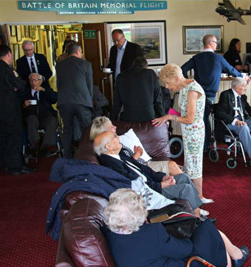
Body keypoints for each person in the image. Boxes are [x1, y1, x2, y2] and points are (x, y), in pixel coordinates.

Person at [102, 189, 250, 267]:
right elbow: (185, 249)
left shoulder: (108, 232)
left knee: (209, 233)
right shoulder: (152, 233)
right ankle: (233, 264)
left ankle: (236, 257)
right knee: (209, 231)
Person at [94, 131, 206, 216]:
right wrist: (161, 185)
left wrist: (162, 177)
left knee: (183, 176)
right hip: (149, 192)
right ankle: (198, 218)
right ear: (108, 146)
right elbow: (134, 183)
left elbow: (143, 168)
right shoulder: (110, 164)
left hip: (152, 183)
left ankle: (197, 205)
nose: (118, 137)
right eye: (114, 137)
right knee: (185, 189)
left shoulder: (119, 155)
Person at [153, 64, 210, 204]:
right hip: (189, 133)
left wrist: (170, 117)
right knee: (190, 164)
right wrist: (167, 114)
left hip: (195, 134)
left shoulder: (192, 91)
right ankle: (198, 197)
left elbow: (190, 119)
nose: (166, 86)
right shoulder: (184, 88)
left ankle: (199, 198)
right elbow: (183, 114)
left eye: (168, 82)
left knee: (194, 166)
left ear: (177, 78)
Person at [181, 34, 246, 153]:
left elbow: (182, 69)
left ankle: (203, 145)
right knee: (204, 119)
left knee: (201, 119)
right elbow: (232, 71)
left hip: (197, 94)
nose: (216, 45)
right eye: (216, 43)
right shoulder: (218, 58)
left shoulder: (197, 58)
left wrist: (189, 84)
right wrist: (243, 77)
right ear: (211, 43)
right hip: (209, 95)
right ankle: (205, 147)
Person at [89, 116, 183, 177]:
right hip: (142, 168)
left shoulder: (114, 143)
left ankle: (193, 194)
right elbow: (127, 166)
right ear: (103, 134)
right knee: (172, 166)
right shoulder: (110, 151)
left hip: (143, 165)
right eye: (111, 127)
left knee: (174, 167)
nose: (115, 127)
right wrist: (137, 155)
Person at [215, 77, 251, 166]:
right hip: (231, 123)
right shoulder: (226, 95)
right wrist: (235, 121)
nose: (245, 88)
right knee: (243, 127)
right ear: (237, 87)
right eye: (244, 86)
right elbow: (219, 112)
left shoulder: (243, 97)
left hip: (243, 121)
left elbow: (247, 107)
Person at [0, 45, 33, 174]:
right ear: (9, 54)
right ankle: (15, 166)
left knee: (3, 136)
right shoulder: (8, 70)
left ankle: (3, 162)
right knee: (14, 136)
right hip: (10, 109)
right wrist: (15, 87)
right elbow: (21, 85)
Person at [56, 43, 93, 159]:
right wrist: (90, 100)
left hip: (64, 102)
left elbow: (59, 85)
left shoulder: (60, 66)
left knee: (67, 130)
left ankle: (67, 156)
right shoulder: (86, 64)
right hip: (82, 101)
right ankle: (87, 155)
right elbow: (89, 85)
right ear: (78, 51)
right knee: (86, 130)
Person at [112, 56, 164, 122]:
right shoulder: (151, 74)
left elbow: (117, 103)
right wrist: (163, 117)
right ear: (146, 66)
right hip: (149, 118)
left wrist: (113, 120)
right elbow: (158, 99)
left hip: (129, 118)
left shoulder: (121, 77)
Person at [22, 73, 59, 157]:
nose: (34, 82)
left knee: (53, 120)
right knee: (31, 118)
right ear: (29, 82)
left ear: (41, 81)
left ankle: (45, 147)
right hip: (32, 115)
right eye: (32, 80)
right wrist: (24, 104)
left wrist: (43, 90)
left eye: (37, 80)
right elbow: (19, 104)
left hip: (45, 115)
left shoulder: (46, 90)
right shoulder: (25, 91)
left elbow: (54, 99)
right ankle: (34, 145)